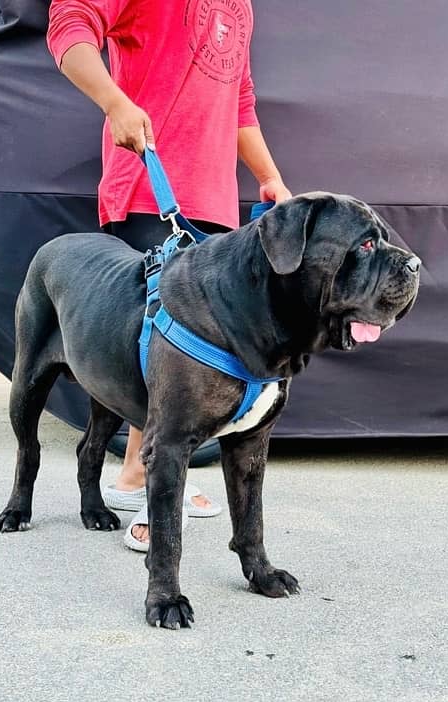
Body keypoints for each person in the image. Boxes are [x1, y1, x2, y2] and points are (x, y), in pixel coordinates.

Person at [46, 0, 292, 551]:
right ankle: (139, 479)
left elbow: (239, 98)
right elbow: (69, 24)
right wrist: (115, 102)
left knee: (197, 353)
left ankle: (147, 472)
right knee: (157, 347)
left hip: (214, 205)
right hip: (148, 188)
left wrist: (269, 178)